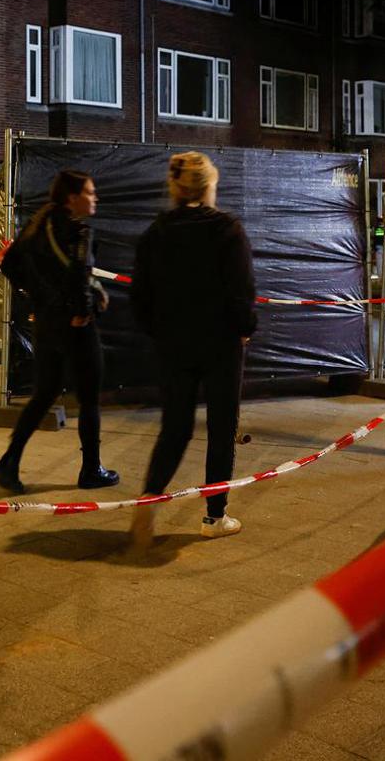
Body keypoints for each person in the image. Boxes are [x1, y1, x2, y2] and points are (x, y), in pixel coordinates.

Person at [128, 151, 256, 545]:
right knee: (221, 429)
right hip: (220, 344)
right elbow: (242, 290)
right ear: (207, 186)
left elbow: (140, 296)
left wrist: (159, 331)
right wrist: (244, 329)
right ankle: (214, 516)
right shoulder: (227, 229)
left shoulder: (156, 232)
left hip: (173, 343)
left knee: (175, 427)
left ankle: (149, 499)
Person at [0, 169, 119, 495]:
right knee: (90, 397)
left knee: (44, 394)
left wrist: (40, 300)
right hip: (77, 328)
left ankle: (9, 461)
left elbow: (9, 265)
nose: (95, 198)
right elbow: (78, 275)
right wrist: (80, 310)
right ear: (72, 197)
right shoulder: (79, 231)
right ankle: (91, 470)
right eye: (90, 192)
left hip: (47, 324)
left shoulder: (39, 222)